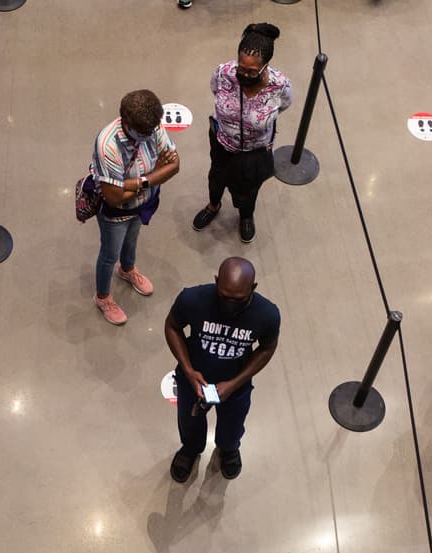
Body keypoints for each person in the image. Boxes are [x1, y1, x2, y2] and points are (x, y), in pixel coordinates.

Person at [165, 257, 280, 481]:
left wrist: (235, 382)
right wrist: (188, 370)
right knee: (189, 421)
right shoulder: (192, 299)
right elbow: (172, 326)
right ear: (217, 281)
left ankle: (228, 449)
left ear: (253, 288)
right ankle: (190, 449)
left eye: (238, 299)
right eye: (224, 296)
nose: (230, 305)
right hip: (194, 379)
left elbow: (267, 348)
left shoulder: (267, 314)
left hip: (235, 383)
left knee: (233, 425)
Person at [192, 23, 292, 243]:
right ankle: (213, 205)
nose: (245, 74)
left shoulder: (280, 86)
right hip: (222, 142)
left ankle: (246, 216)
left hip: (254, 152)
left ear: (266, 66)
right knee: (216, 178)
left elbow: (284, 106)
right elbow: (214, 91)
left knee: (248, 189)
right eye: (241, 68)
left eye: (252, 71)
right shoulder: (223, 74)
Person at [89, 90, 180, 325]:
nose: (149, 136)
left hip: (142, 205)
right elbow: (113, 198)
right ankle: (102, 297)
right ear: (126, 122)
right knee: (110, 253)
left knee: (132, 239)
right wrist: (154, 175)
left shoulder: (153, 127)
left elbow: (174, 166)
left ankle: (127, 269)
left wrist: (135, 183)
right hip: (115, 215)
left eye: (151, 131)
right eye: (142, 133)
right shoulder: (107, 145)